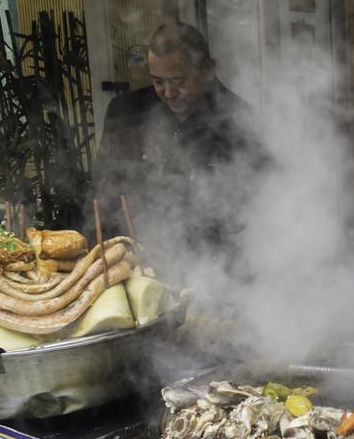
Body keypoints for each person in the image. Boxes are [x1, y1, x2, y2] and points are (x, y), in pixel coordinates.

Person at [85, 21, 254, 263]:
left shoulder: (241, 124)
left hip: (211, 270)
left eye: (178, 81)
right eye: (158, 82)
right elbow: (101, 192)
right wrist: (94, 254)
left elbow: (255, 217)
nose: (168, 93)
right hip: (135, 264)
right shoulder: (126, 112)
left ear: (208, 69)